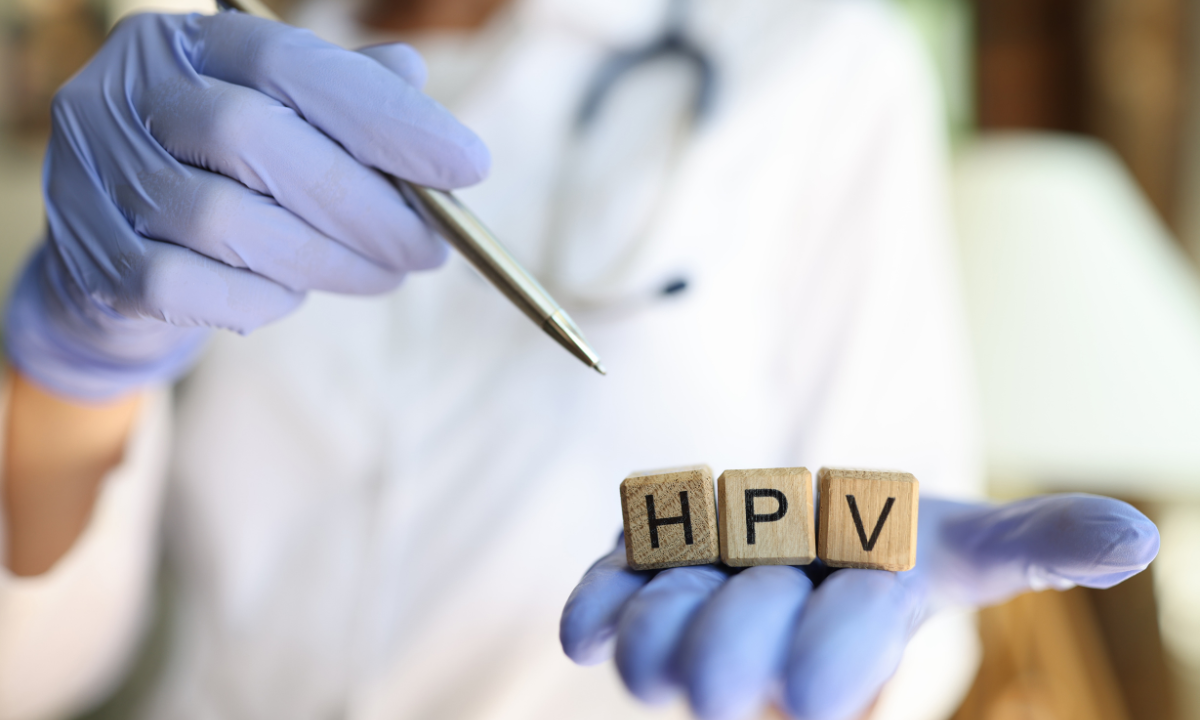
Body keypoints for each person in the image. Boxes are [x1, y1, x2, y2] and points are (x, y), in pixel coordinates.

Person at [0, 0, 1158, 719]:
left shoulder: (823, 66)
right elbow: (35, 672)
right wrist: (65, 363)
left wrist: (825, 671)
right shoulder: (194, 99)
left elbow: (888, 615)